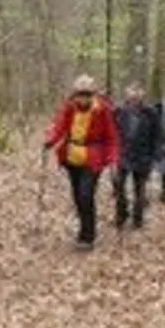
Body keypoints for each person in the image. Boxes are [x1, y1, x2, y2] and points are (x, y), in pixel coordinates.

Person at [40, 75, 119, 251]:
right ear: (75, 95)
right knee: (77, 196)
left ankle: (88, 236)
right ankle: (83, 231)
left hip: (93, 158)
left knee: (86, 195)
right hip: (72, 157)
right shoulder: (69, 108)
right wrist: (50, 141)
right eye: (80, 95)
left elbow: (111, 137)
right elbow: (60, 126)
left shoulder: (102, 110)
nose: (83, 99)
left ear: (93, 95)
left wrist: (113, 159)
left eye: (87, 95)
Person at [111, 84, 160, 230]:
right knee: (119, 187)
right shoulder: (118, 111)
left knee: (140, 190)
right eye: (131, 96)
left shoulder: (151, 113)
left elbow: (157, 136)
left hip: (143, 157)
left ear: (142, 97)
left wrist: (155, 158)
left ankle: (137, 219)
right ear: (127, 97)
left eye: (137, 96)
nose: (134, 99)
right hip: (123, 155)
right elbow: (112, 133)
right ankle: (121, 214)